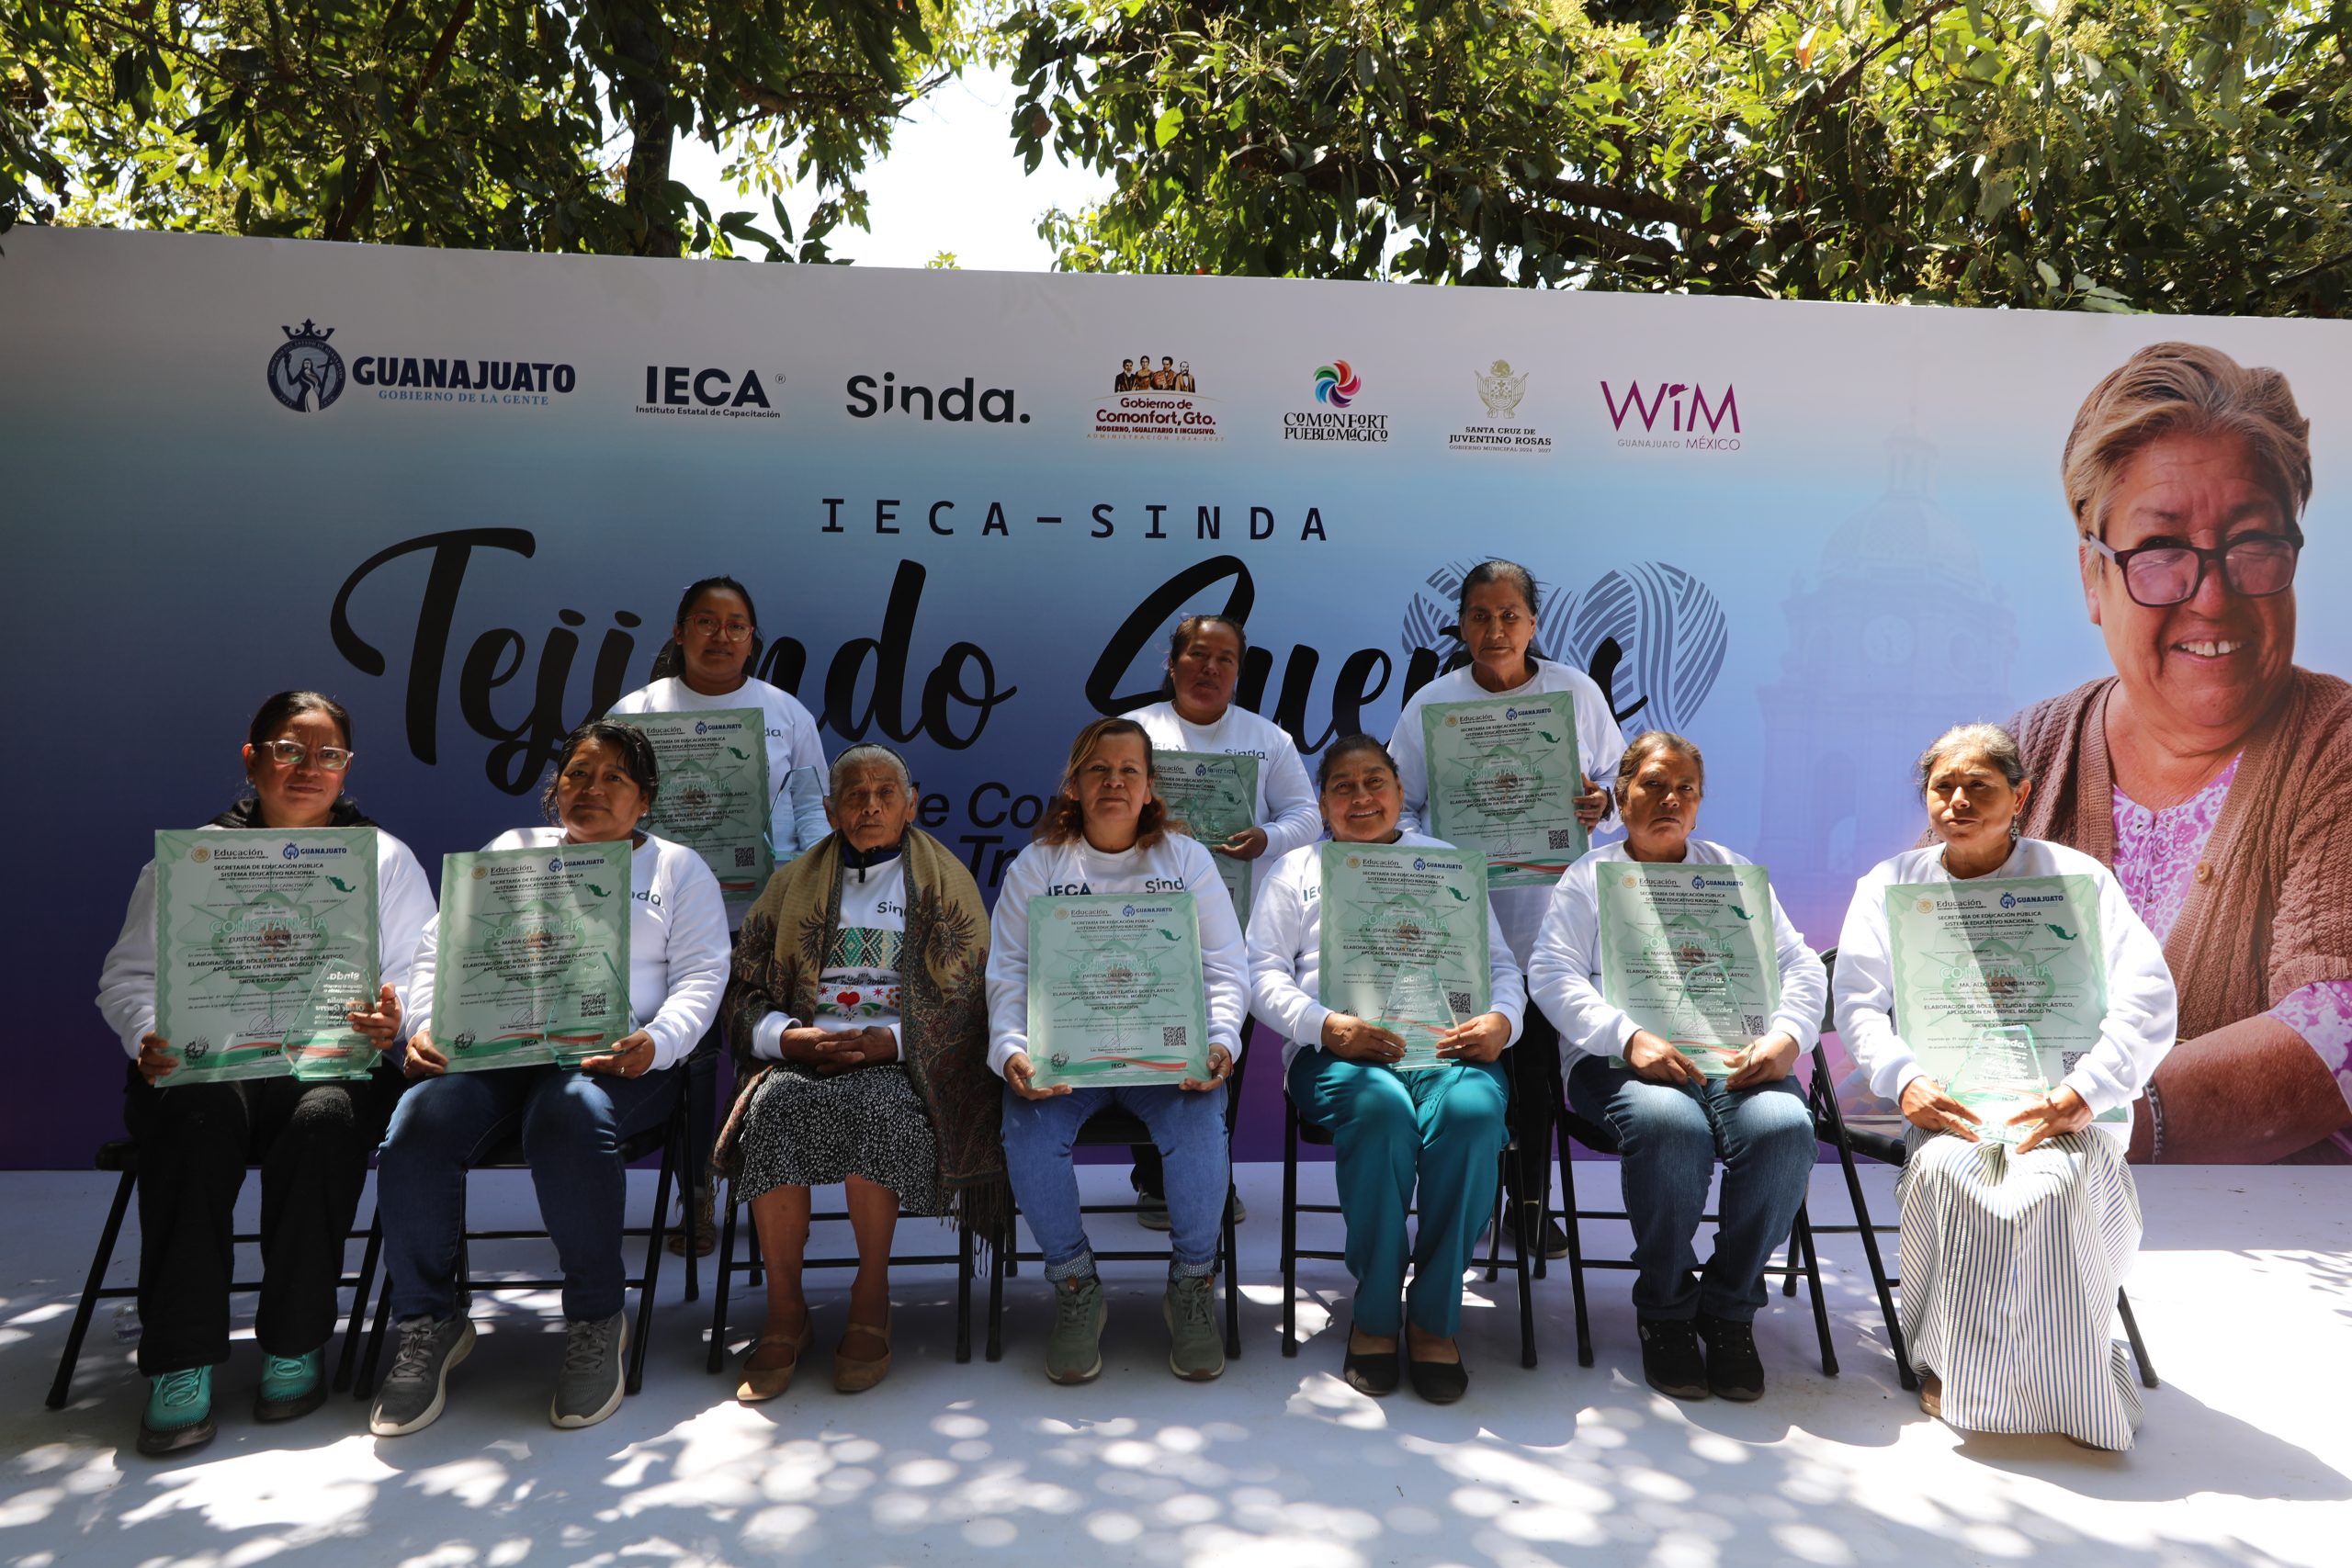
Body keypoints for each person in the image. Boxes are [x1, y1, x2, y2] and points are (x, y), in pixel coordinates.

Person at [2009, 342, 2349, 1163]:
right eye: (2161, 549)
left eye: (2253, 542)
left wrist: (2097, 1118)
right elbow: (1918, 976)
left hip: (2278, 1229)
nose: (2213, 595)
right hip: (2027, 1216)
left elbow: (2338, 1027)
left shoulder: (2336, 746)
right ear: (2094, 578)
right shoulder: (2024, 756)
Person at [96, 691, 435, 1456]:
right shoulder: (192, 858)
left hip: (330, 1065)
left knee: (326, 1121)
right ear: (252, 760)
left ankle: (295, 1341)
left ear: (347, 767)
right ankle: (180, 1359)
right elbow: (127, 976)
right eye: (288, 749)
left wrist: (397, 1019)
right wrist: (148, 1033)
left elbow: (418, 976)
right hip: (210, 1066)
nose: (308, 767)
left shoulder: (383, 859)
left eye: (328, 754)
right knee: (196, 1116)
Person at [368, 720, 729, 1437]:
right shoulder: (512, 850)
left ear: (645, 799)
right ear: (555, 788)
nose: (592, 788)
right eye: (577, 775)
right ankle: (430, 1320)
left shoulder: (677, 869)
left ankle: (597, 1318)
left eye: (614, 777)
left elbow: (702, 976)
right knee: (416, 1126)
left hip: (620, 1059)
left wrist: (656, 1043)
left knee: (566, 1116)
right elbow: (441, 949)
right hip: (501, 1053)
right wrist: (426, 1025)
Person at [1836, 723, 2176, 1450]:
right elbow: (1858, 1002)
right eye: (1943, 787)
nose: (1958, 801)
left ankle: (2070, 1377)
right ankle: (1953, 1363)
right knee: (1952, 1174)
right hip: (1948, 1107)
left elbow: (2148, 995)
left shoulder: (2076, 880)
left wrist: (2085, 1090)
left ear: (2020, 796)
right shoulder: (1890, 885)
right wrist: (1904, 1080)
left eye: (1979, 786)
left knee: (2055, 1186)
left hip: (2064, 1105)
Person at [1526, 732, 1826, 1402]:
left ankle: (1729, 1307)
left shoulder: (1731, 872)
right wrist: (1628, 1036)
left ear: (1699, 802)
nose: (1670, 799)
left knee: (1785, 1129)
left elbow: (1801, 964)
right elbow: (1550, 972)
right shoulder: (1590, 876)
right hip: (1619, 1061)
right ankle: (1664, 1309)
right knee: (1672, 1129)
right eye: (1654, 785)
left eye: (1685, 789)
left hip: (1735, 1056)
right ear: (1622, 794)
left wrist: (1787, 1037)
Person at [709, 744, 1003, 1402]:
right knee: (773, 1111)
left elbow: (972, 1002)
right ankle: (786, 1309)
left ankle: (871, 1296)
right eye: (855, 794)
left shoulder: (947, 882)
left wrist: (891, 1043)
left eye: (884, 793)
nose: (870, 805)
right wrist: (787, 1038)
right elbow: (743, 986)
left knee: (875, 1109)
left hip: (900, 1062)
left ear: (910, 805)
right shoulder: (790, 884)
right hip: (804, 1054)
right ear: (831, 809)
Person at [1248, 735, 1522, 1403]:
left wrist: (1502, 1021)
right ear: (1323, 804)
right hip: (1336, 1053)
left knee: (1475, 1114)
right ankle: (1374, 1310)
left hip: (1447, 1049)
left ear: (1401, 794)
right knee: (1381, 1111)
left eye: (1376, 782)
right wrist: (1324, 1025)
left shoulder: (1447, 863)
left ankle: (1434, 1314)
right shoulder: (1295, 870)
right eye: (1343, 786)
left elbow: (1500, 967)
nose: (1362, 797)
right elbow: (1260, 974)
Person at [986, 717, 1247, 1384]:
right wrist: (1012, 1050)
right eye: (1098, 769)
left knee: (1201, 1123)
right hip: (1067, 1062)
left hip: (1164, 1062)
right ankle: (1076, 1284)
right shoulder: (1038, 865)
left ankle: (1192, 1285)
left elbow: (1224, 970)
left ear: (1150, 787)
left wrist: (1220, 1041)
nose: (1114, 782)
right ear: (1073, 785)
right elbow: (1008, 973)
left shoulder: (1186, 860)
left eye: (1130, 770)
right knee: (1026, 1127)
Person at [1391, 558, 1626, 1257]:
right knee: (1475, 1066)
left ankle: (1529, 1207)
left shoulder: (1574, 691)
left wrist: (1602, 803)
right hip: (1463, 918)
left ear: (1533, 623)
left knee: (1537, 1073)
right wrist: (1438, 859)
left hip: (1553, 913)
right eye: (1480, 616)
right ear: (1462, 625)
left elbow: (1620, 785)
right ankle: (1469, 1206)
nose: (1495, 630)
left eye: (1509, 616)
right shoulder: (1432, 702)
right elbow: (1398, 806)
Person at [610, 575, 830, 1252]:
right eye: (705, 622)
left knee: (762, 1054)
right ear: (680, 633)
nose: (721, 635)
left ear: (752, 639)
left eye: (736, 625)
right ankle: (697, 1195)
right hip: (667, 916)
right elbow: (607, 818)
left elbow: (812, 810)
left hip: (761, 914)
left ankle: (767, 1196)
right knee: (692, 1057)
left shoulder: (785, 713)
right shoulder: (636, 712)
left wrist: (806, 892)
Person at [1121, 613, 1318, 1228]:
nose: (1210, 668)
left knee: (1218, 1054)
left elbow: (1307, 816)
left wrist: (1267, 838)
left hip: (1236, 925)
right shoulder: (1134, 732)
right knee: (1143, 1049)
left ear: (1238, 671)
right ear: (1172, 663)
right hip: (1140, 921)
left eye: (1225, 659)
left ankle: (1213, 1175)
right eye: (1198, 655)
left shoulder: (1267, 739)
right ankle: (1155, 1178)